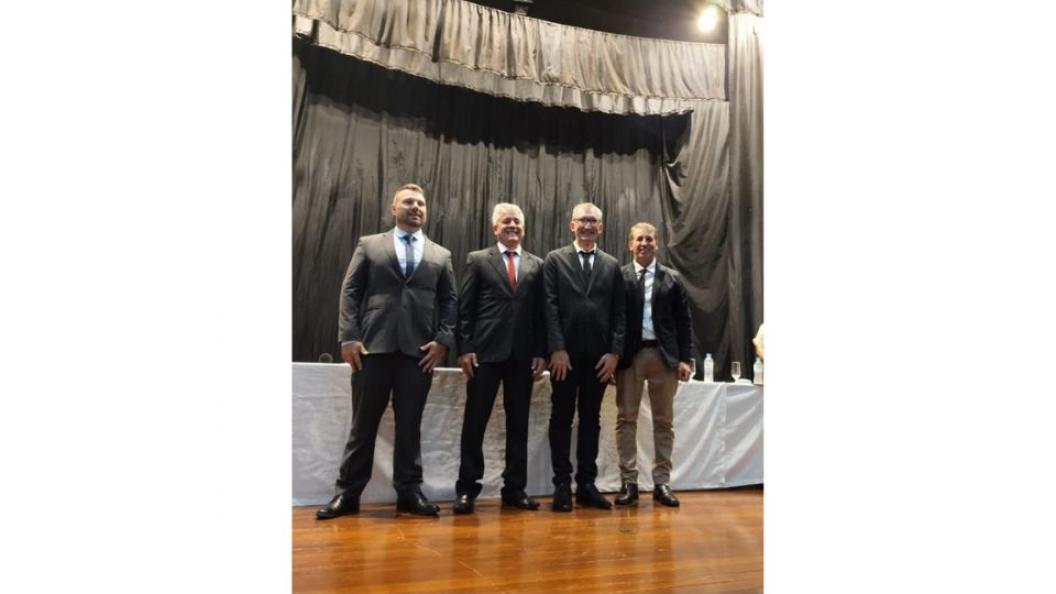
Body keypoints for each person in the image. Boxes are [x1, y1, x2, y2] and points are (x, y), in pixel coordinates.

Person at [316, 183, 457, 519]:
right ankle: (347, 494)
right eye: (408, 202)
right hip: (372, 349)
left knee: (410, 426)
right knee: (362, 426)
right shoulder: (369, 244)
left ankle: (409, 493)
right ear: (394, 208)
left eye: (421, 203)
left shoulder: (441, 254)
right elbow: (351, 290)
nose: (416, 207)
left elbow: (450, 301)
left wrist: (443, 340)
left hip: (418, 353)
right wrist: (348, 337)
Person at [452, 203, 547, 514]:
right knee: (475, 423)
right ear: (495, 228)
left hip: (523, 357)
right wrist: (465, 348)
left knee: (518, 425)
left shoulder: (537, 265)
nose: (512, 226)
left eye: (517, 221)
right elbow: (465, 309)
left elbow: (541, 314)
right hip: (484, 355)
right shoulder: (478, 260)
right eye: (506, 221)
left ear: (524, 228)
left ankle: (515, 489)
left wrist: (541, 352)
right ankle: (467, 489)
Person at [543, 202, 626, 512]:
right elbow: (549, 307)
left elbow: (619, 313)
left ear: (601, 227)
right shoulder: (555, 260)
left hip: (599, 360)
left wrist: (615, 353)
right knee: (561, 418)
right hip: (564, 357)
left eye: (593, 221)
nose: (588, 226)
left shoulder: (612, 265)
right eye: (583, 220)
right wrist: (557, 348)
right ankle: (562, 485)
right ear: (572, 225)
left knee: (591, 419)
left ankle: (587, 485)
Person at [613, 223, 694, 508]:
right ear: (630, 244)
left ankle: (662, 483)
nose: (644, 243)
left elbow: (684, 321)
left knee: (664, 422)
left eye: (649, 239)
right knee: (626, 419)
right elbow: (613, 320)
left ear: (657, 244)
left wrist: (684, 358)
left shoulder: (672, 278)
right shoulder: (619, 276)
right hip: (630, 357)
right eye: (639, 239)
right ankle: (629, 482)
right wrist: (612, 356)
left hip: (664, 357)